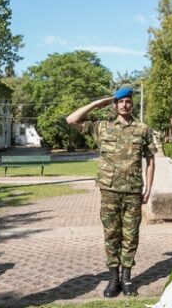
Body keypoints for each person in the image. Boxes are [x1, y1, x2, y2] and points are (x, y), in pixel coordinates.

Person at [66, 87, 156, 297]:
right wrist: (99, 103)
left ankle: (126, 279)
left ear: (132, 104)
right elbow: (71, 120)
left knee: (131, 236)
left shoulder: (143, 129)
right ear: (115, 105)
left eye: (128, 101)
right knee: (111, 235)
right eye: (121, 101)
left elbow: (150, 161)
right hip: (109, 191)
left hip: (133, 191)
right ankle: (113, 279)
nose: (125, 104)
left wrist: (149, 189)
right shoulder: (102, 127)